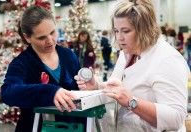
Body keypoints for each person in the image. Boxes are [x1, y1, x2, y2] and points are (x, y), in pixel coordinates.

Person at [74, 0, 190, 131]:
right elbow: (119, 89)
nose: (119, 37)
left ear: (144, 30)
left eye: (126, 31)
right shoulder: (128, 53)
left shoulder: (168, 60)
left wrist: (132, 102)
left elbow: (176, 117)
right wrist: (96, 85)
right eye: (116, 31)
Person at [0, 6, 86, 132]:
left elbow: (77, 91)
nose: (50, 41)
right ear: (27, 37)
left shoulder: (69, 55)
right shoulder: (21, 63)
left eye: (52, 32)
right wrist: (49, 92)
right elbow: (8, 92)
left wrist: (88, 86)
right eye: (41, 37)